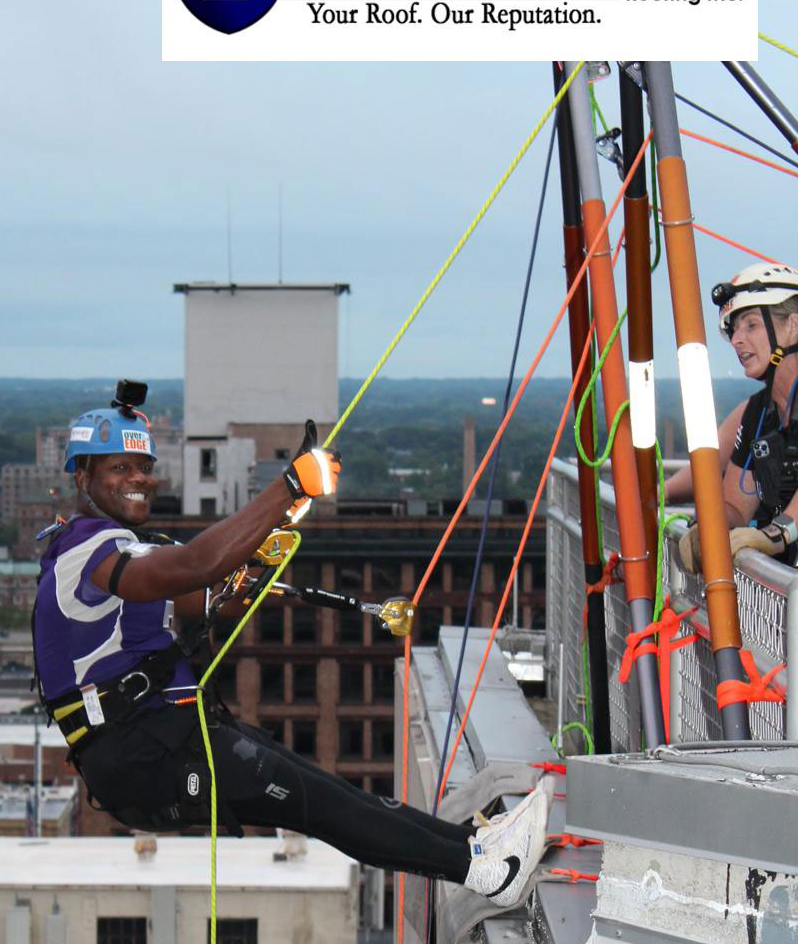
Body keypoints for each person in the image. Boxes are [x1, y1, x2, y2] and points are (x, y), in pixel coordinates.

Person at [33, 384, 552, 908]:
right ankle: (488, 873)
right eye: (120, 468)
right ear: (83, 477)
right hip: (143, 752)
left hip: (163, 738)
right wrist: (286, 487)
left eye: (143, 466)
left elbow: (205, 596)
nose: (139, 479)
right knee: (323, 806)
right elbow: (192, 566)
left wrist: (255, 554)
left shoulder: (121, 551)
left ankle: (476, 846)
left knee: (336, 794)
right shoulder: (87, 552)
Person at [674, 265, 798, 572]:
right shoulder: (759, 413)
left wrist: (777, 533)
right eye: (734, 330)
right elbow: (736, 506)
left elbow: (779, 530)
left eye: (751, 325)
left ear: (793, 325)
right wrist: (708, 527)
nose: (736, 340)